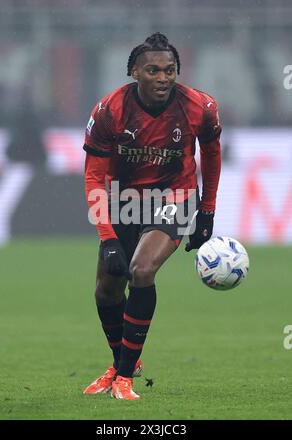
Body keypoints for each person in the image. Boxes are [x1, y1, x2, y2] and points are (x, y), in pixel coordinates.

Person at [82, 32, 222, 400]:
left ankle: (124, 378)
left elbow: (210, 156)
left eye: (170, 70)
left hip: (174, 195)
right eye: (153, 70)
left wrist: (206, 211)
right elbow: (95, 176)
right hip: (124, 197)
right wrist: (109, 239)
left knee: (141, 270)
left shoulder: (200, 108)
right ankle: (122, 364)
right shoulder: (110, 110)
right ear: (134, 72)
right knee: (107, 287)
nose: (163, 77)